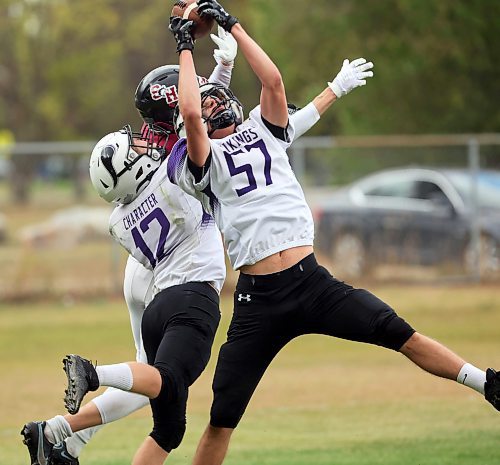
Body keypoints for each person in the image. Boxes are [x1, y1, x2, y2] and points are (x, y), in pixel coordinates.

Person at [165, 1, 500, 464]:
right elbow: (191, 111)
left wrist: (232, 24)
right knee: (223, 415)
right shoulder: (199, 161)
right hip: (258, 300)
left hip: (310, 281)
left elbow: (274, 81)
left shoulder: (265, 132)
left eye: (212, 95)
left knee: (397, 330)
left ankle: (488, 384)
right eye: (204, 99)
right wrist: (185, 45)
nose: (210, 100)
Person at [20, 28, 238, 465]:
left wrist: (220, 72)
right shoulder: (167, 161)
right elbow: (202, 119)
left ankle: (64, 435)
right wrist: (224, 68)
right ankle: (78, 405)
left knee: (147, 376)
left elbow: (195, 111)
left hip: (143, 270)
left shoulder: (127, 185)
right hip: (175, 269)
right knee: (158, 377)